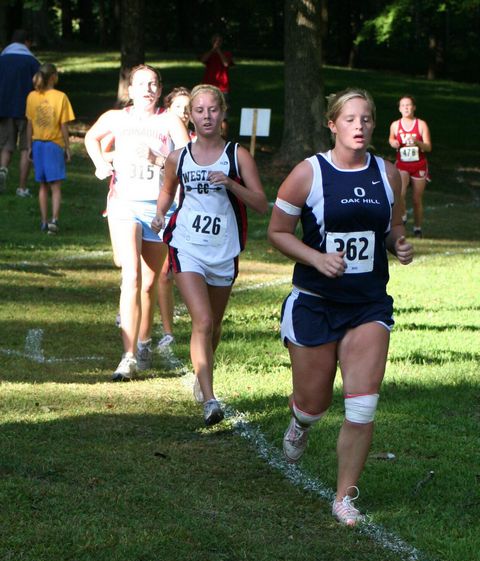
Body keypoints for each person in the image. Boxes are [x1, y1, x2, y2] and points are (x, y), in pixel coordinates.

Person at [268, 88, 413, 526]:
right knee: (313, 403)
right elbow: (278, 231)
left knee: (363, 405)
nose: (359, 126)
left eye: (366, 119)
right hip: (316, 303)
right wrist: (316, 259)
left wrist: (399, 244)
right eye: (349, 119)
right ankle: (300, 422)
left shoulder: (389, 174)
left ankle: (345, 497)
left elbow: (393, 226)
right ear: (332, 124)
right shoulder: (309, 173)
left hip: (368, 305)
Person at [152, 84, 267, 425]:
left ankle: (203, 372)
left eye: (212, 110)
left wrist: (231, 183)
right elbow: (168, 190)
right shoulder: (179, 157)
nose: (206, 116)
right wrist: (160, 213)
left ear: (222, 114)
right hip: (187, 246)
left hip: (223, 249)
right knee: (201, 321)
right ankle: (210, 399)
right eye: (199, 110)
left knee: (213, 325)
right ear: (190, 116)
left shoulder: (237, 155)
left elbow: (261, 204)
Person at [85, 65, 189, 381]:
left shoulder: (169, 121)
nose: (147, 89)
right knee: (130, 276)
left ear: (160, 90)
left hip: (159, 209)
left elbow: (188, 161)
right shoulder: (116, 118)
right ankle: (127, 356)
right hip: (124, 204)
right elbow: (91, 137)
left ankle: (144, 342)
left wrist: (157, 159)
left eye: (153, 84)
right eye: (141, 84)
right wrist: (100, 163)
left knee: (148, 284)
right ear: (130, 90)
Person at [155, 87, 194, 351]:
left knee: (168, 273)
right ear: (168, 109)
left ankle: (175, 329)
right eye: (178, 107)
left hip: (186, 214)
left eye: (187, 108)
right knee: (161, 273)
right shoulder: (158, 136)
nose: (183, 113)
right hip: (159, 209)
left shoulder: (197, 142)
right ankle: (165, 330)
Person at [25, 63, 75, 233]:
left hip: (38, 145)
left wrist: (29, 146)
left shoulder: (32, 96)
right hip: (54, 145)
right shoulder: (61, 97)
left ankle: (43, 221)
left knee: (43, 186)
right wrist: (67, 147)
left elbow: (29, 125)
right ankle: (54, 220)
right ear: (53, 77)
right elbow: (63, 126)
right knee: (55, 186)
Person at [0, 29, 40, 196]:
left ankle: (2, 170)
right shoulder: (32, 62)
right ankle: (22, 187)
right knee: (26, 148)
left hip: (4, 108)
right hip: (27, 111)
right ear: (27, 42)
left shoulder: (2, 59)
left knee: (6, 146)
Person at [389, 95, 431, 238]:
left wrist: (417, 142)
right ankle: (403, 215)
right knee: (399, 193)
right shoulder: (395, 125)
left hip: (419, 165)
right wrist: (393, 143)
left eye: (408, 105)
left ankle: (417, 228)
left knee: (416, 199)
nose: (406, 108)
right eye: (403, 105)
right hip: (402, 164)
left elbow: (428, 147)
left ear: (414, 107)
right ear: (399, 109)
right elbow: (391, 139)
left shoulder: (421, 124)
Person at [200, 34, 234, 137]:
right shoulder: (209, 54)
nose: (217, 43)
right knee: (206, 112)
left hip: (222, 88)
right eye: (215, 41)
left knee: (223, 115)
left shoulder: (226, 53)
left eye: (219, 41)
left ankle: (224, 137)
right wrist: (213, 50)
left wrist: (218, 51)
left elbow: (226, 63)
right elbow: (203, 60)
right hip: (208, 87)